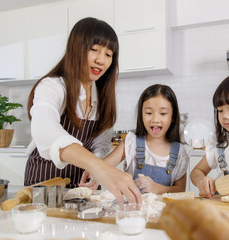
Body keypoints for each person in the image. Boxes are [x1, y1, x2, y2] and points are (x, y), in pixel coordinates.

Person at [24, 17, 141, 205]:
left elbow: (101, 144)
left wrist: (96, 171)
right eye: (94, 49)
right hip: (43, 183)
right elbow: (44, 129)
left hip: (80, 188)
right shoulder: (53, 86)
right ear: (76, 48)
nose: (100, 60)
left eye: (108, 54)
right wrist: (99, 166)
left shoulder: (103, 99)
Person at [99, 84, 192, 194]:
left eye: (163, 113)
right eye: (148, 113)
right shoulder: (131, 142)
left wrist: (158, 188)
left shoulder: (180, 153)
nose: (155, 119)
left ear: (173, 117)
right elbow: (101, 167)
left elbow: (180, 190)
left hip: (164, 210)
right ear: (141, 114)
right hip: (132, 210)